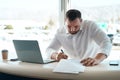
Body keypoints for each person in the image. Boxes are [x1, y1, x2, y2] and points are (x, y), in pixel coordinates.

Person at [46, 9, 112, 66]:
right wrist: (56, 56)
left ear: (81, 21)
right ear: (65, 21)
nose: (72, 29)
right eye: (69, 26)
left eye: (76, 26)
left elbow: (106, 42)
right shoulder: (60, 32)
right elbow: (49, 49)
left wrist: (97, 59)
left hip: (91, 65)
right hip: (71, 67)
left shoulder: (90, 26)